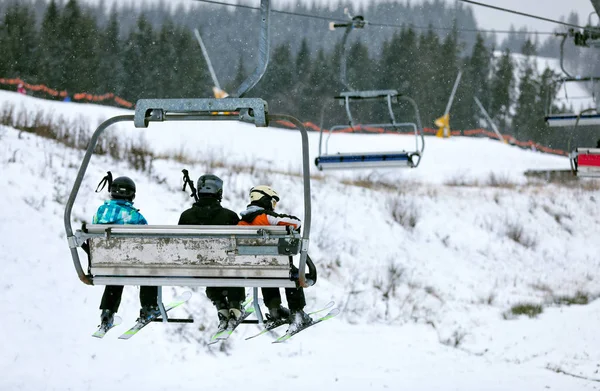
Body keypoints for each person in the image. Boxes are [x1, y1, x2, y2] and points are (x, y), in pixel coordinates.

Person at [237, 185, 312, 332]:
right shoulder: (266, 217)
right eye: (273, 202)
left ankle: (275, 311)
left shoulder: (241, 222)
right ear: (264, 199)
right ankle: (297, 313)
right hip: (279, 268)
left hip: (253, 270)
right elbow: (296, 223)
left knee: (266, 272)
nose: (274, 206)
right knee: (291, 273)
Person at [178, 174, 244, 331]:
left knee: (206, 263)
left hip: (198, 270)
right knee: (231, 265)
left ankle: (221, 306)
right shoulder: (230, 216)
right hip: (227, 270)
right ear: (219, 193)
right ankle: (235, 305)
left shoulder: (186, 216)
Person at [93, 174, 159, 329]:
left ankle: (107, 312)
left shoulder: (101, 212)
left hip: (104, 263)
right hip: (129, 262)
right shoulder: (136, 217)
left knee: (116, 269)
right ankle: (149, 307)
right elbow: (146, 241)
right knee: (149, 264)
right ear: (132, 195)